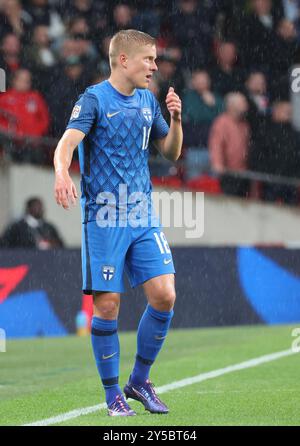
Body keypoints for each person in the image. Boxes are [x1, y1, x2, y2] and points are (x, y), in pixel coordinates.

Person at [53, 29, 182, 417]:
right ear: (123, 60)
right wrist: (62, 173)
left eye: (155, 60)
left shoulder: (147, 101)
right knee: (107, 307)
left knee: (165, 295)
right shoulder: (94, 99)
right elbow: (66, 144)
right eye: (149, 59)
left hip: (142, 215)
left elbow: (172, 153)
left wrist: (175, 119)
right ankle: (113, 395)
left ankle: (139, 381)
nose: (154, 67)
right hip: (104, 218)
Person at [208, 92, 250, 197]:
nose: (246, 105)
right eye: (242, 102)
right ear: (232, 106)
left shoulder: (244, 124)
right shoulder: (222, 122)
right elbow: (216, 145)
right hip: (227, 172)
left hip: (242, 172)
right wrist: (218, 164)